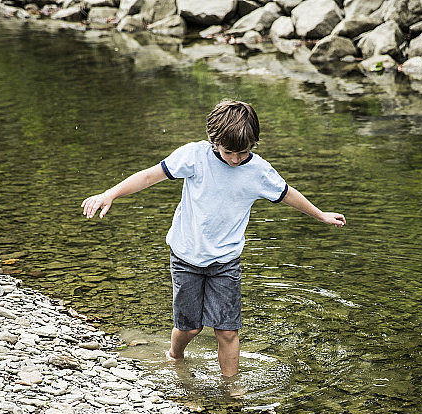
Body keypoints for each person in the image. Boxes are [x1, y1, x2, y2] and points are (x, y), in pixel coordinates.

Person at [81, 99, 345, 377]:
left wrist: (320, 215)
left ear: (253, 144)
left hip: (226, 261)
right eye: (229, 151)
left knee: (227, 331)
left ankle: (231, 390)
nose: (234, 159)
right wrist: (110, 193)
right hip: (186, 256)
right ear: (214, 141)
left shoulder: (259, 171)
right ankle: (174, 355)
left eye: (242, 152)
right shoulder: (195, 156)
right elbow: (149, 177)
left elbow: (288, 194)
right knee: (190, 327)